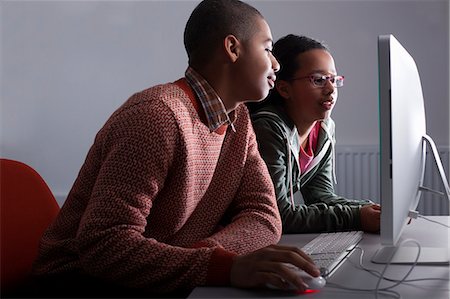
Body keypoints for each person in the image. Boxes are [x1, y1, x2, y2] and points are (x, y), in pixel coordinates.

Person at [31, 2, 320, 298]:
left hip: (165, 283)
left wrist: (203, 261)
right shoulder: (156, 117)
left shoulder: (240, 120)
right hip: (80, 286)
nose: (276, 64)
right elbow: (103, 245)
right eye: (267, 49)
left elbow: (264, 215)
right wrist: (220, 267)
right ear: (233, 49)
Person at [248, 34, 381, 234]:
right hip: (244, 233)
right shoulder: (268, 129)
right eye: (318, 80)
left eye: (334, 79)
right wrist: (357, 217)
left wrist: (368, 209)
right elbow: (278, 215)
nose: (330, 89)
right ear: (284, 88)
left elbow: (322, 197)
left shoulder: (324, 129)